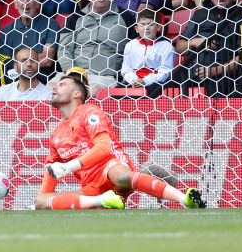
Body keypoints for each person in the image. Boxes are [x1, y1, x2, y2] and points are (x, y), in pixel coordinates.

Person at [35, 69, 206, 210]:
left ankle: (184, 199)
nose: (55, 87)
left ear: (77, 94)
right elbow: (50, 174)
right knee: (40, 203)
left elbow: (104, 148)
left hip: (110, 166)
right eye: (56, 84)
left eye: (62, 84)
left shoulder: (88, 111)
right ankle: (103, 200)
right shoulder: (56, 135)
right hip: (92, 185)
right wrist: (44, 197)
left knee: (121, 176)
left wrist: (68, 166)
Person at [57, 0, 129, 93]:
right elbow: (64, 49)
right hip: (73, 74)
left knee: (89, 91)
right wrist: (72, 72)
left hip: (105, 77)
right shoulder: (75, 18)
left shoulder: (126, 18)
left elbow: (134, 49)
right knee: (50, 89)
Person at [0, 0, 59, 69]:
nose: (26, 1)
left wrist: (18, 60)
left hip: (44, 78)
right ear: (15, 4)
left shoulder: (51, 25)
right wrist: (39, 56)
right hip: (15, 79)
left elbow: (47, 61)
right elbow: (7, 64)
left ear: (38, 3)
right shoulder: (6, 31)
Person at [120, 9, 174, 95]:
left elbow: (166, 72)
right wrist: (134, 80)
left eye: (151, 24)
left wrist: (145, 81)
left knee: (154, 91)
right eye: (142, 25)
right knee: (116, 92)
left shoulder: (166, 46)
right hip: (134, 82)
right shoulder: (130, 45)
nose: (146, 28)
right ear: (136, 29)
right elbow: (126, 70)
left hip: (155, 83)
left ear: (158, 27)